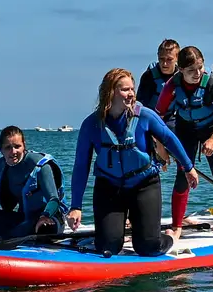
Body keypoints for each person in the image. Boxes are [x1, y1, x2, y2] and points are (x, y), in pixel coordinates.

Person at [67, 67, 198, 257]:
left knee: (148, 247)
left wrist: (188, 168)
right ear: (110, 92)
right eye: (125, 89)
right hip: (109, 187)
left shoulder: (144, 115)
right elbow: (81, 166)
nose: (131, 94)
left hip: (144, 184)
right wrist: (76, 206)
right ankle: (116, 230)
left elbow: (169, 139)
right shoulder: (91, 125)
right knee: (108, 247)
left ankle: (168, 235)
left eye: (132, 89)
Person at [155, 46, 213, 242]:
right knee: (183, 177)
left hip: (212, 127)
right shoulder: (172, 86)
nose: (197, 74)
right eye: (191, 71)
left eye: (200, 67)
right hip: (186, 129)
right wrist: (161, 147)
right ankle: (176, 227)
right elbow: (158, 117)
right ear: (180, 70)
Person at [138, 39, 181, 107]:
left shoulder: (182, 76)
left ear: (177, 57)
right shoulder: (149, 76)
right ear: (158, 56)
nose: (164, 63)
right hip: (153, 115)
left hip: (174, 116)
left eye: (169, 59)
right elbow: (140, 103)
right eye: (162, 59)